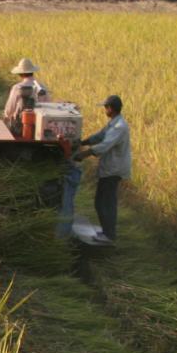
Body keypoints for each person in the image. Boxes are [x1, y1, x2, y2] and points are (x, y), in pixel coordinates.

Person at [72, 95, 131, 243]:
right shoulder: (113, 123)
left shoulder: (119, 127)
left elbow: (104, 145)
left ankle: (109, 235)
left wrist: (84, 154)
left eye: (106, 107)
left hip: (113, 170)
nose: (105, 110)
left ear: (110, 108)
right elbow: (99, 136)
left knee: (105, 202)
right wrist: (82, 142)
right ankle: (106, 232)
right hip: (109, 168)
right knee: (101, 201)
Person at [3, 58, 51, 132]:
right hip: (40, 125)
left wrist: (6, 116)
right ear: (32, 72)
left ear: (20, 74)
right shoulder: (42, 87)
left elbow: (9, 110)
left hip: (20, 126)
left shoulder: (17, 88)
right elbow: (49, 105)